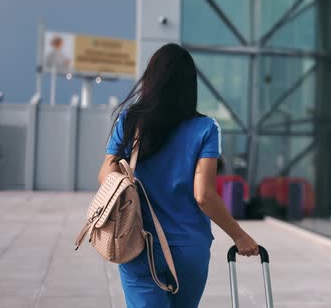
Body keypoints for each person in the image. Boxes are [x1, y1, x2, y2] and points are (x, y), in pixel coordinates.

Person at [98, 43, 259, 308]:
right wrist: (239, 236)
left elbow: (106, 173)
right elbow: (204, 195)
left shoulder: (129, 120)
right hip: (189, 249)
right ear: (189, 85)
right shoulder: (206, 128)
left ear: (150, 79)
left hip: (137, 243)